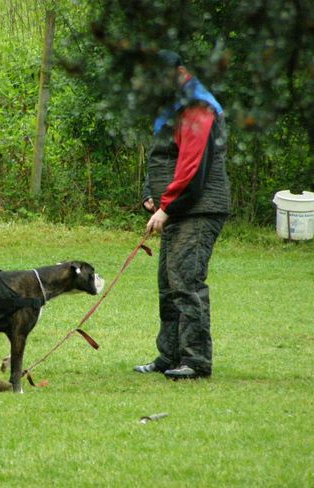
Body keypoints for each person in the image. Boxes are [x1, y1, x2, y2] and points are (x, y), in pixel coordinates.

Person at [134, 50, 230, 380]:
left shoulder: (197, 106)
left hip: (199, 208)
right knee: (168, 284)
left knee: (186, 282)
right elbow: (163, 158)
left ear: (180, 71)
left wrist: (166, 206)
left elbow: (191, 167)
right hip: (179, 209)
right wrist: (151, 195)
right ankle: (169, 356)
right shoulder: (173, 107)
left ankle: (196, 361)